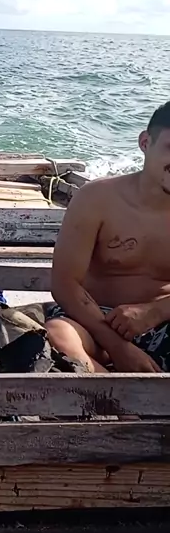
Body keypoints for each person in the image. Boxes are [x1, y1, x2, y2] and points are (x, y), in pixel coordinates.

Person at [46, 102, 170, 373]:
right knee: (58, 338)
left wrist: (154, 312)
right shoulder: (97, 199)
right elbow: (65, 284)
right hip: (93, 321)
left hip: (162, 321)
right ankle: (124, 394)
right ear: (145, 142)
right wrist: (119, 348)